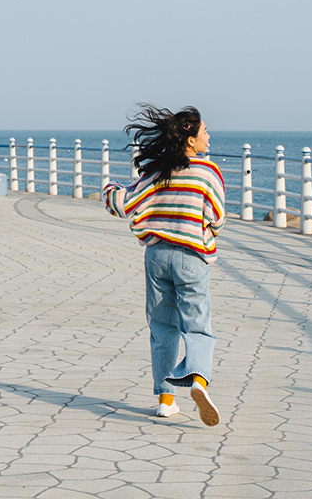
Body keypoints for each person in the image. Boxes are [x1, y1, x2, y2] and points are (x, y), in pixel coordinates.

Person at [103, 104, 226, 426]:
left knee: (162, 328)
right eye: (204, 132)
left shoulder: (157, 171)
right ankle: (198, 380)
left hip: (157, 256)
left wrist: (108, 189)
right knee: (197, 325)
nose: (208, 137)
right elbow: (217, 217)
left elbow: (123, 203)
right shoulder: (207, 172)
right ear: (190, 140)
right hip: (191, 258)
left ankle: (164, 400)